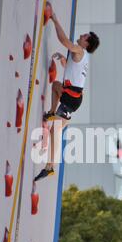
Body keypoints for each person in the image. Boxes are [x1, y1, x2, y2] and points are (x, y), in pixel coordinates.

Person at [34, 10, 99, 182]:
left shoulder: (78, 50)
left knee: (55, 132)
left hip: (71, 99)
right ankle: (52, 112)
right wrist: (64, 60)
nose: (82, 35)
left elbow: (64, 41)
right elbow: (73, 73)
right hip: (72, 95)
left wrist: (55, 20)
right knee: (56, 85)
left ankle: (49, 167)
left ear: (86, 43)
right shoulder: (81, 56)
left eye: (85, 36)